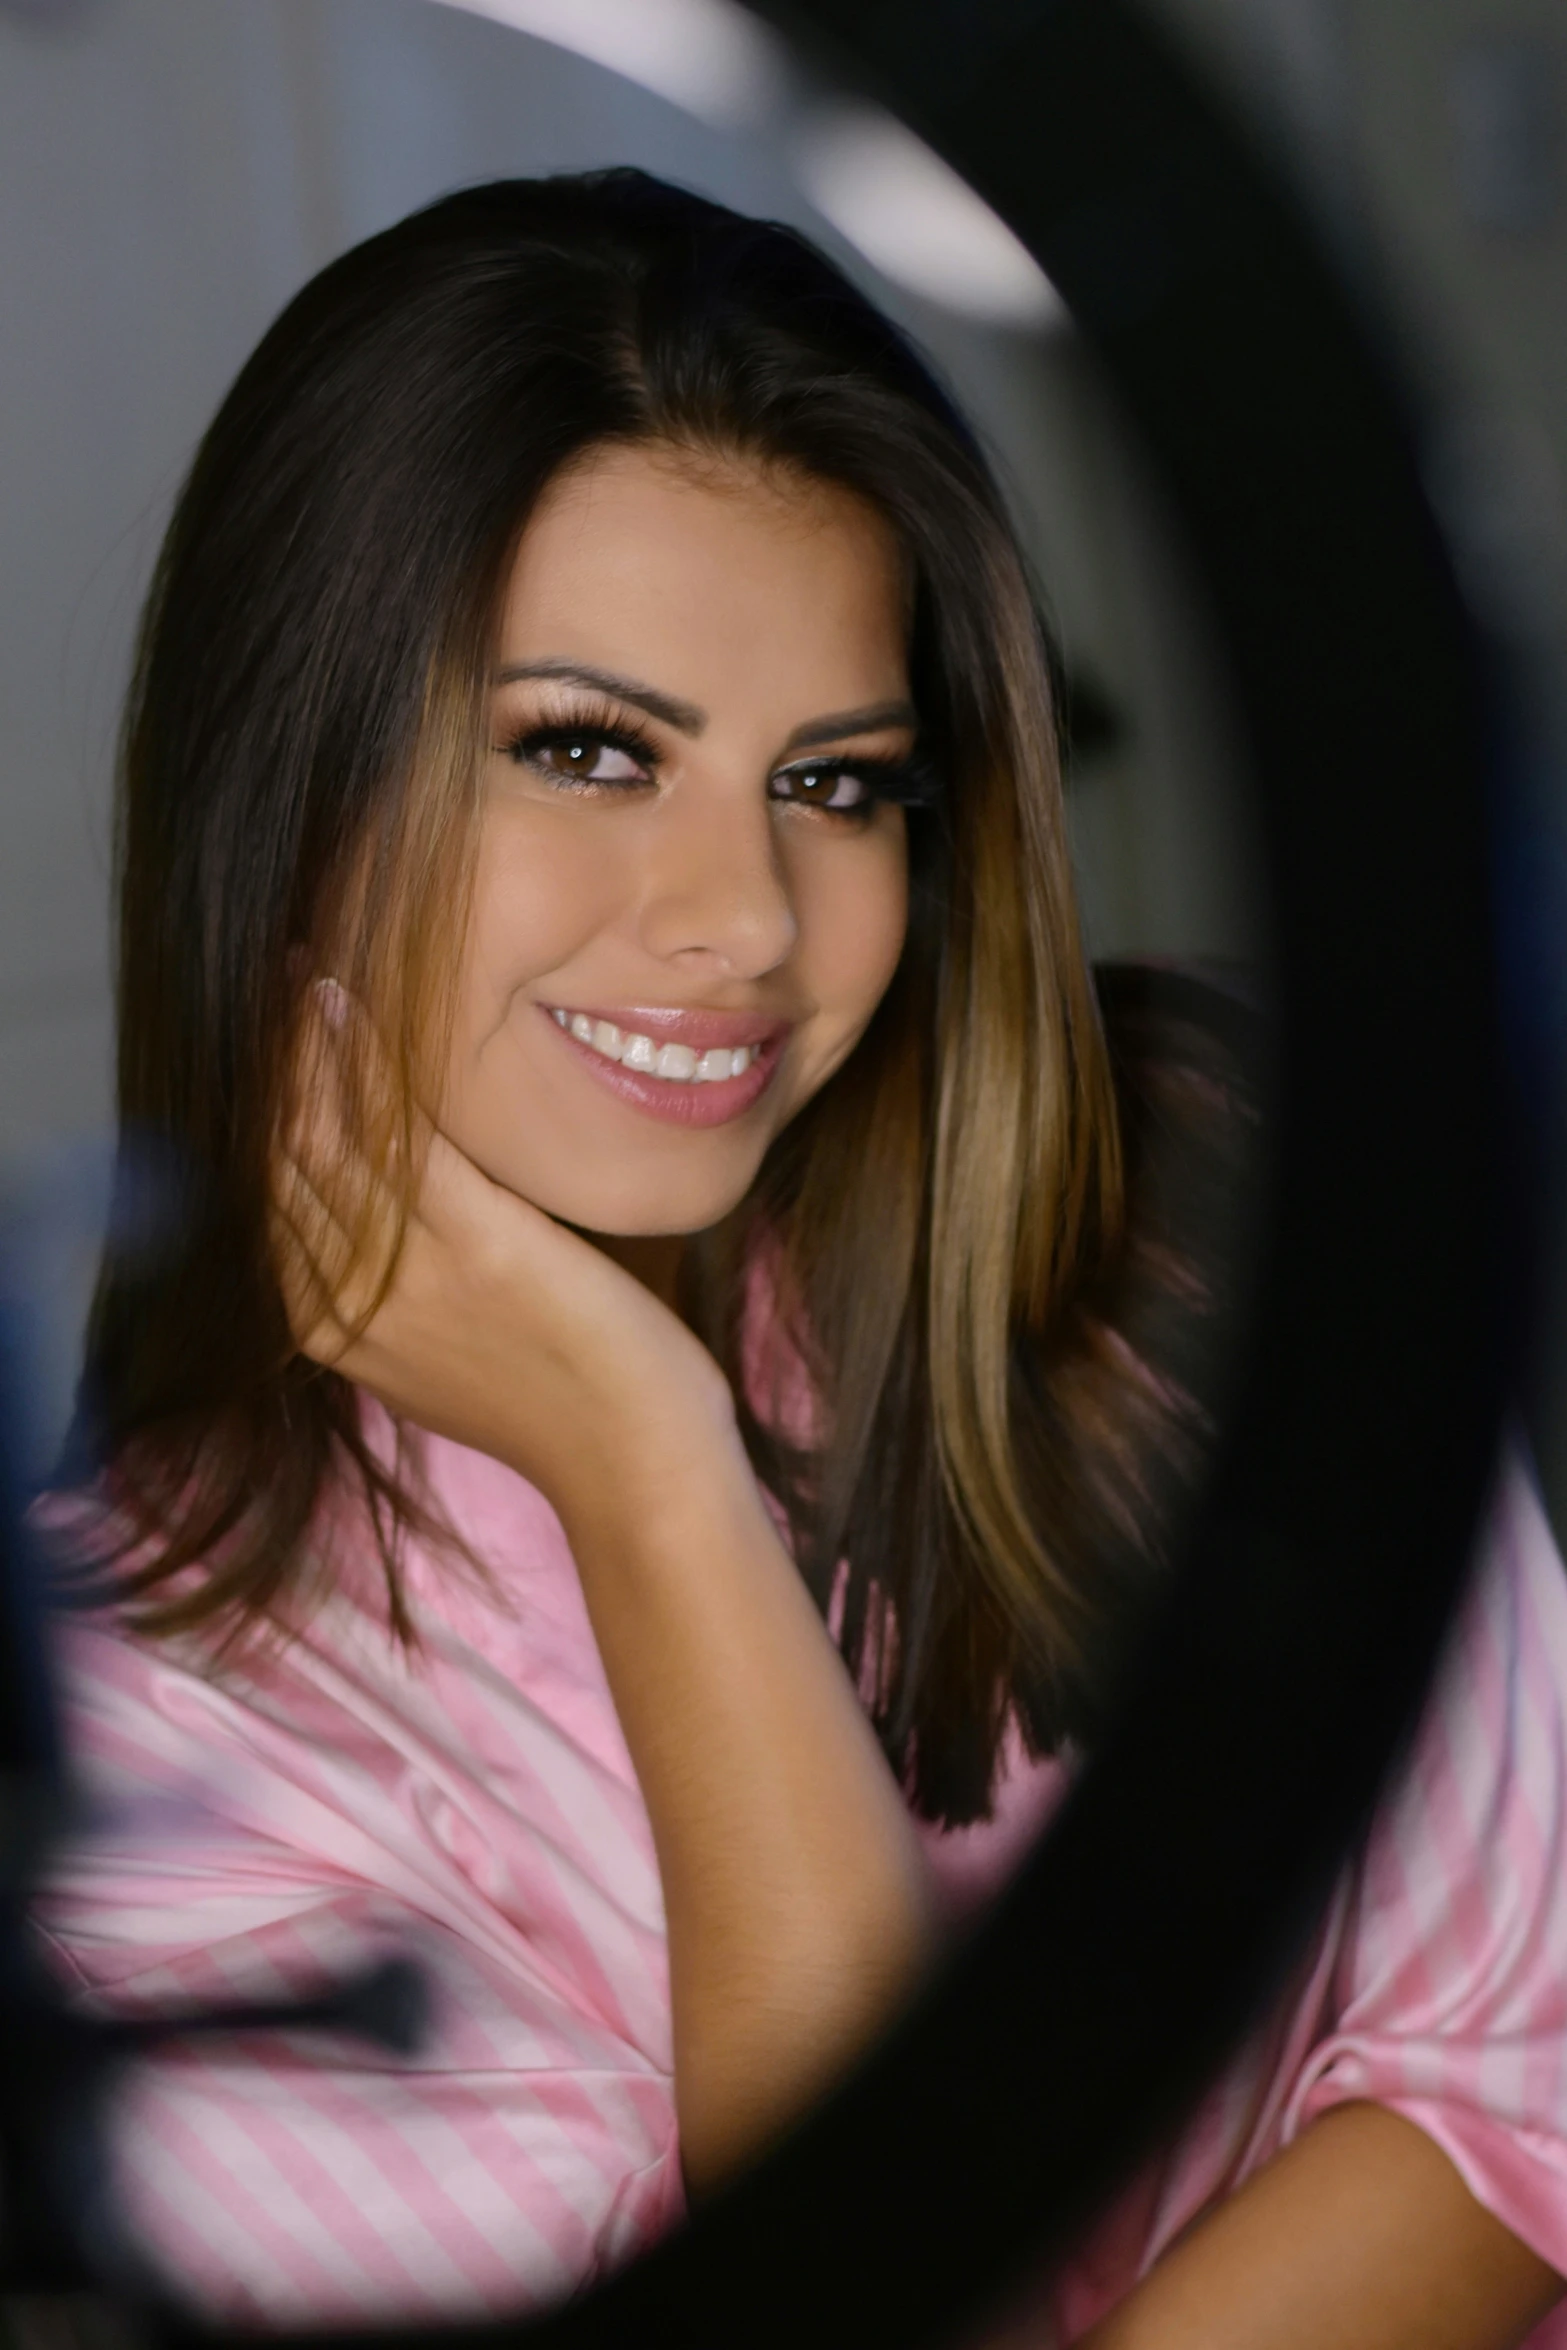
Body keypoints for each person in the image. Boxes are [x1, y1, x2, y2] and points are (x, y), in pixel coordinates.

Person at [28, 171, 1567, 2347]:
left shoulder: (1193, 1180)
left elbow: (1521, 2068)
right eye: (587, 749)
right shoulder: (151, 1708)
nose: (747, 916)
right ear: (291, 780)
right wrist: (647, 1469)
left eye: (838, 784)